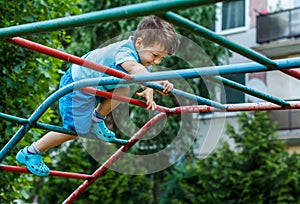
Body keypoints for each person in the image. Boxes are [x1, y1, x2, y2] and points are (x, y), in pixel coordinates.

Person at [16, 15, 179, 177]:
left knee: (123, 91)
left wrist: (150, 91)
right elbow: (135, 70)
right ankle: (31, 151)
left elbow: (144, 77)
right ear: (139, 42)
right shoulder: (125, 51)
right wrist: (156, 81)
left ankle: (96, 120)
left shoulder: (143, 62)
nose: (157, 62)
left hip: (98, 85)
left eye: (161, 58)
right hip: (78, 83)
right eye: (155, 55)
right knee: (76, 129)